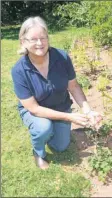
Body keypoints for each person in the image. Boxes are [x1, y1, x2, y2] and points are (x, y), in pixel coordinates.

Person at [11, 16, 102, 170]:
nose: (39, 43)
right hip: (35, 110)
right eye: (33, 39)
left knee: (61, 146)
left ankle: (53, 129)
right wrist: (69, 117)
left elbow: (73, 87)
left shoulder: (62, 57)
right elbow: (34, 108)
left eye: (43, 38)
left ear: (48, 38)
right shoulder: (19, 70)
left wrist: (88, 111)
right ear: (23, 41)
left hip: (61, 106)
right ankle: (38, 151)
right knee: (43, 128)